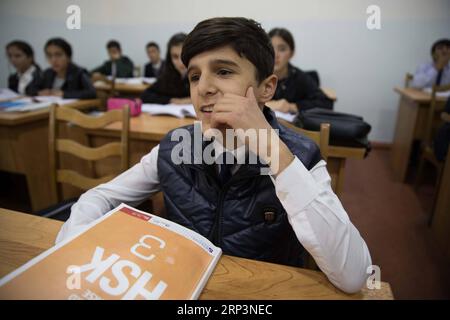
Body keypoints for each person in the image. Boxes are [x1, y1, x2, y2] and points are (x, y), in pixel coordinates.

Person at [56, 17, 371, 294]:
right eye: (194, 76)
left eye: (222, 71)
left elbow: (354, 276)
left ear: (266, 88)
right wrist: (68, 254)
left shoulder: (300, 155)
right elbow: (99, 199)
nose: (203, 87)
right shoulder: (174, 147)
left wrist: (271, 149)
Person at [266, 28, 333, 113]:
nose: (275, 54)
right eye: (271, 48)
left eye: (282, 49)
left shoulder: (299, 77)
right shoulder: (258, 75)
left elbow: (325, 103)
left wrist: (291, 106)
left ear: (292, 53)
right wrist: (268, 104)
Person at [32, 38, 96, 99]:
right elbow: (29, 88)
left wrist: (64, 94)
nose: (53, 60)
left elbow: (91, 93)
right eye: (49, 56)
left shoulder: (79, 73)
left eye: (58, 55)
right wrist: (39, 92)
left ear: (68, 57)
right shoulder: (47, 73)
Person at [140, 33, 191, 104]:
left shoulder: (201, 74)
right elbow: (145, 95)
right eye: (175, 57)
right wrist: (171, 100)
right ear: (170, 58)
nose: (180, 62)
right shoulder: (168, 75)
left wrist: (187, 100)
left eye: (184, 55)